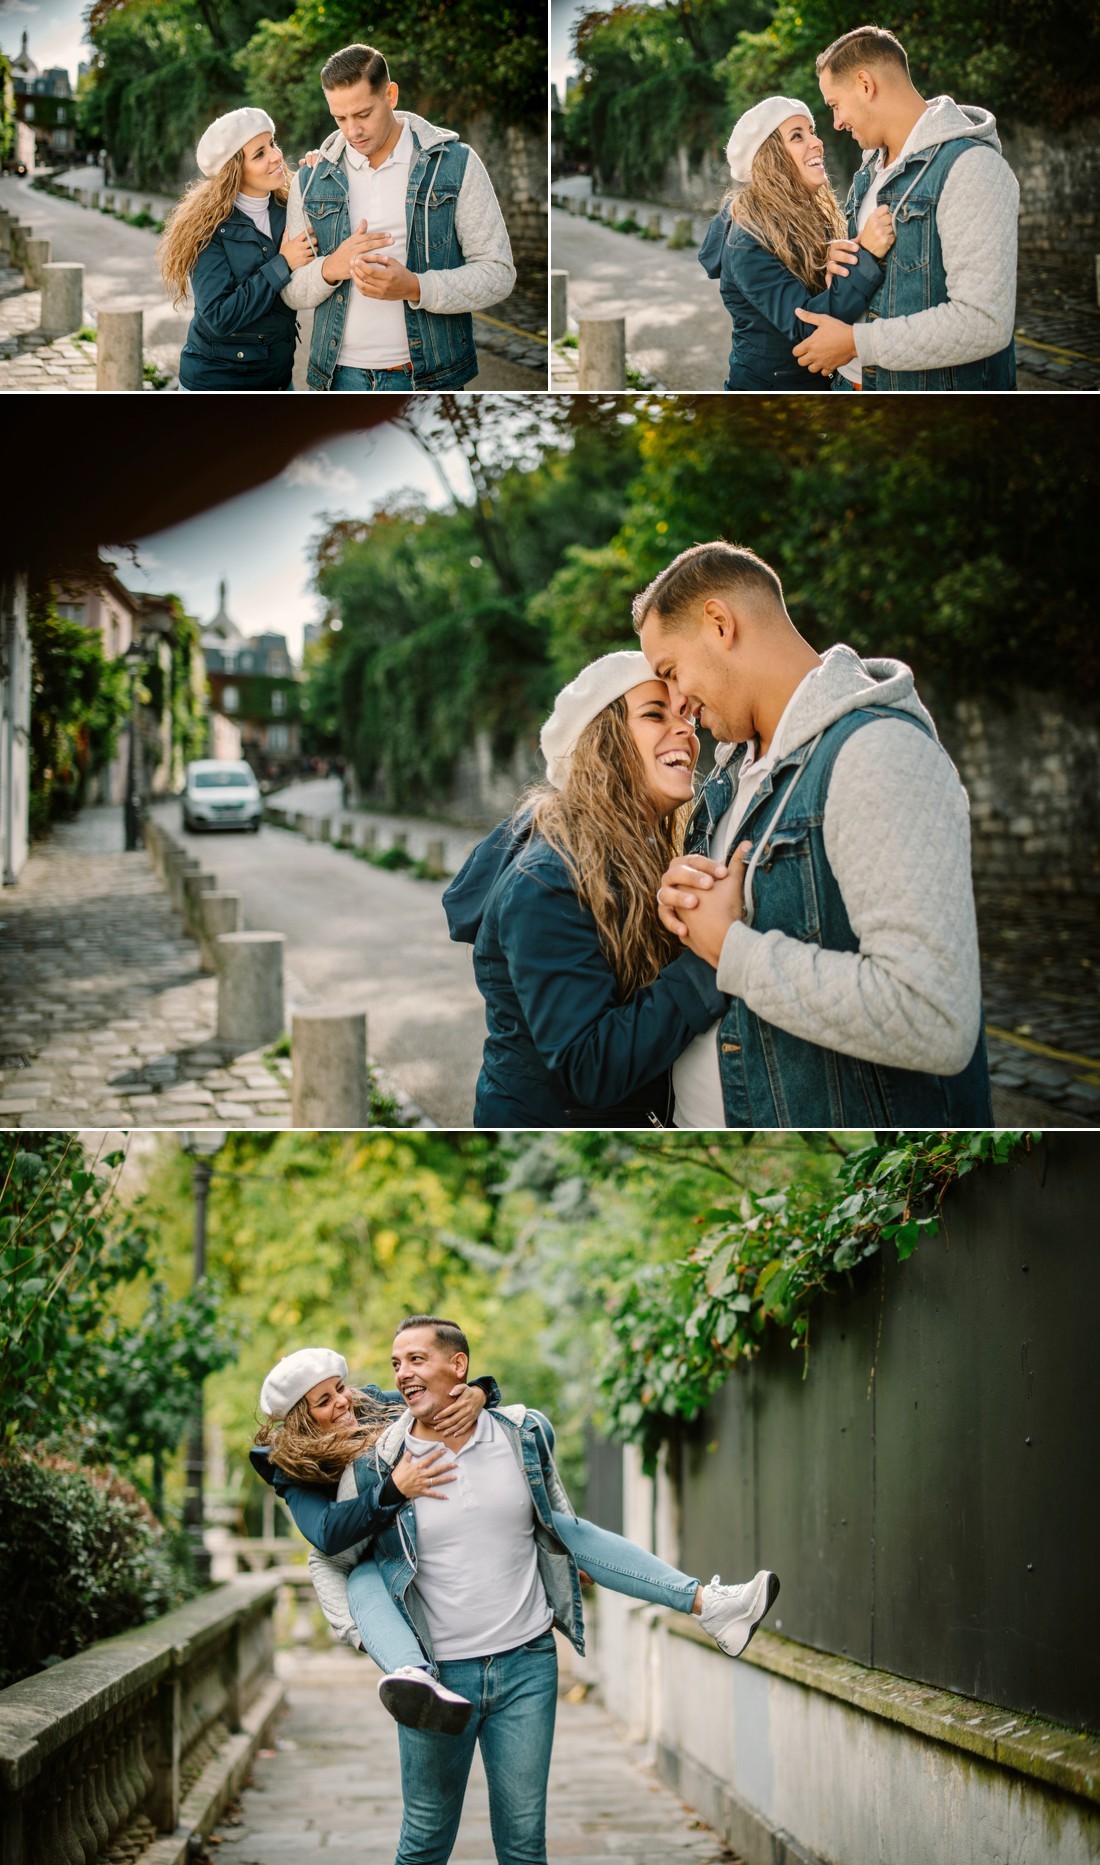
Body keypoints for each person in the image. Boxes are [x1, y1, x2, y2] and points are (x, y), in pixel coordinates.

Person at [274, 1317, 779, 1865]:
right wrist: (361, 1629)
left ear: (459, 1366)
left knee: (523, 1844)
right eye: (396, 1363)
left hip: (527, 1665)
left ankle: (710, 1605)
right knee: (424, 1842)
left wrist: (566, 1554)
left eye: (415, 1360)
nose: (401, 1374)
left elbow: (555, 1511)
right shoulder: (373, 1465)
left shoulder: (522, 1430)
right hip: (437, 1677)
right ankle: (407, 1671)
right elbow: (330, 1551)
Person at [634, 540, 995, 1128]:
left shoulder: (876, 752)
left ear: (719, 624)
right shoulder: (730, 772)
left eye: (671, 672)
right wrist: (686, 900)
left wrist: (731, 948)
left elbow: (935, 1019)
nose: (676, 703)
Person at [442, 652, 728, 1126]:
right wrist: (712, 956)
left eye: (686, 717)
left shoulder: (642, 851)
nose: (686, 730)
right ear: (603, 743)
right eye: (655, 714)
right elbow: (589, 1066)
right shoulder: (547, 881)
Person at [792, 25, 1019, 390]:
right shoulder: (870, 167)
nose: (836, 123)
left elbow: (985, 322)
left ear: (865, 85)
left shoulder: (972, 166)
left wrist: (856, 344)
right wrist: (845, 256)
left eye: (835, 105)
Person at [278, 42, 516, 391]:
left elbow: (498, 274)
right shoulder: (311, 179)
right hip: (337, 380)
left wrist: (416, 287)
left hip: (428, 379)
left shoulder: (456, 164)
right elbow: (291, 291)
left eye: (363, 114)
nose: (352, 131)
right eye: (340, 118)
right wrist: (330, 268)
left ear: (390, 95)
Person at [699, 95, 896, 390]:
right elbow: (809, 325)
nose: (817, 142)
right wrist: (866, 255)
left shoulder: (805, 213)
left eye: (812, 132)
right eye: (797, 136)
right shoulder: (747, 240)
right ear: (772, 159)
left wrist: (829, 260)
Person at [159, 108, 317, 391]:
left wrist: (321, 174)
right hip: (218, 383)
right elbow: (218, 316)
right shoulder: (207, 228)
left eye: (272, 143)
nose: (276, 156)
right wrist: (282, 263)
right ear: (234, 171)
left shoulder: (289, 207)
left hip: (279, 379)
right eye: (259, 154)